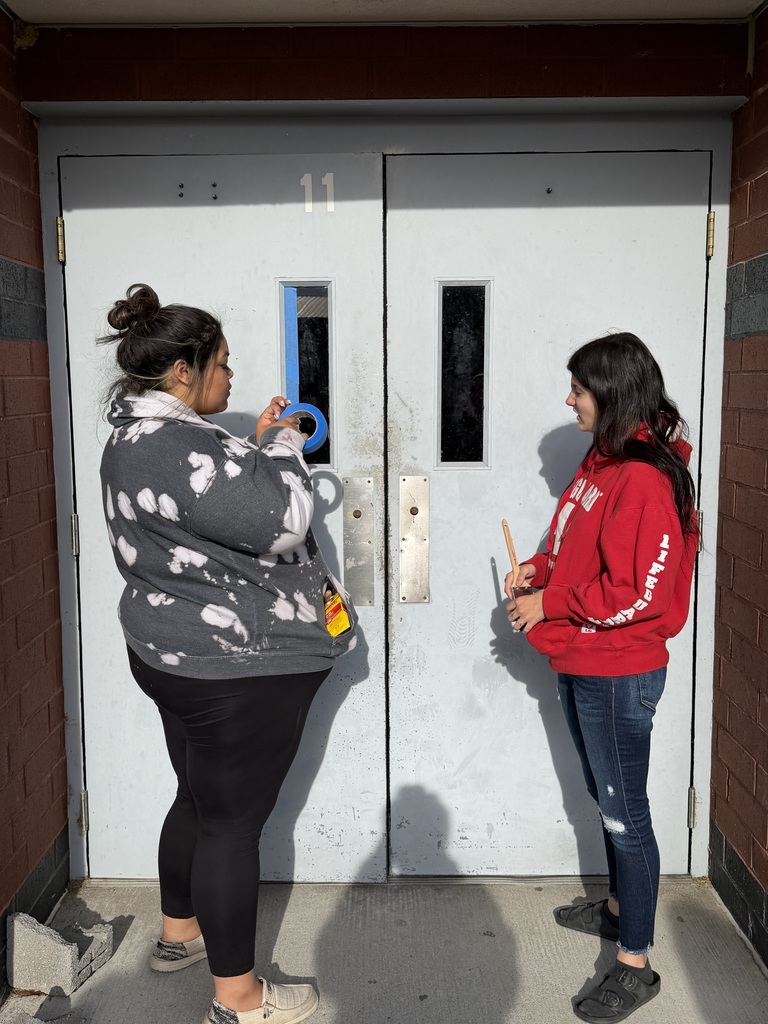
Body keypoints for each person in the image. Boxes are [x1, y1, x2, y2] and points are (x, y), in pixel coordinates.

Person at [99, 283, 356, 1024]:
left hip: (168, 652)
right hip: (234, 664)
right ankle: (240, 998)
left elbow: (202, 502)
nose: (232, 376)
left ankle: (180, 935)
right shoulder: (175, 444)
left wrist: (250, 443)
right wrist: (282, 447)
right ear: (183, 370)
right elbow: (281, 520)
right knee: (231, 825)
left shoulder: (135, 434)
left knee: (199, 797)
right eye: (222, 363)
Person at [504, 333, 697, 1023]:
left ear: (612, 394)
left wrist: (549, 602)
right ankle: (619, 909)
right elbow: (574, 541)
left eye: (580, 388)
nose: (569, 399)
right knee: (604, 794)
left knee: (625, 815)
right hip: (581, 659)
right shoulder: (602, 460)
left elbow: (639, 593)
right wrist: (539, 569)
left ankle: (636, 963)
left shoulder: (644, 476)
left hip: (620, 671)